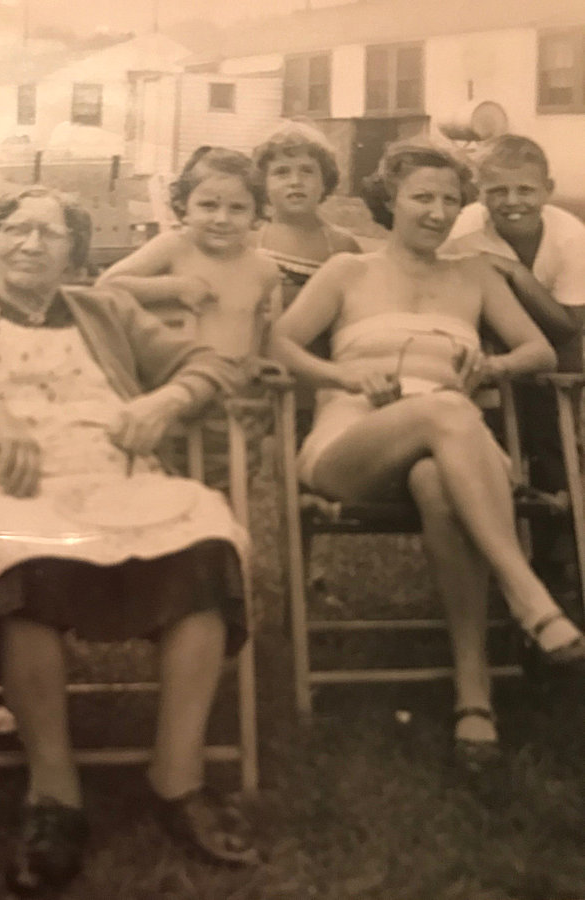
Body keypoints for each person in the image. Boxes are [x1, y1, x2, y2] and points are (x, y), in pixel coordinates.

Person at [0, 186, 259, 895]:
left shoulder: (110, 311)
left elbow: (215, 366)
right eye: (15, 229)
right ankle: (54, 792)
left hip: (115, 475)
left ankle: (178, 775)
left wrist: (166, 399)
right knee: (27, 557)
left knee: (207, 545)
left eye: (50, 232)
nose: (30, 243)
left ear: (75, 252)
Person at [270, 139, 585, 774]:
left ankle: (475, 704)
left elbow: (541, 353)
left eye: (450, 199)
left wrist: (492, 363)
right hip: (355, 440)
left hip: (456, 456)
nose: (438, 212)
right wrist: (343, 379)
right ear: (391, 200)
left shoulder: (474, 275)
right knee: (445, 409)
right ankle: (526, 593)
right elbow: (277, 343)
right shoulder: (347, 273)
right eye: (423, 197)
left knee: (440, 478)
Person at [443, 135, 585, 601]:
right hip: (486, 340)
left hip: (559, 347)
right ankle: (490, 550)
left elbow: (568, 328)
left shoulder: (569, 236)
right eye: (497, 191)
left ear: (547, 188)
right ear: (479, 192)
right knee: (489, 443)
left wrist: (516, 274)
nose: (512, 202)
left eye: (525, 190)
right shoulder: (464, 229)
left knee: (551, 442)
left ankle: (556, 554)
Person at [97, 145, 281, 366]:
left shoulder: (263, 269)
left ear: (255, 213)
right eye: (208, 205)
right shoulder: (174, 247)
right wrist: (175, 287)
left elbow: (256, 326)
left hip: (232, 382)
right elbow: (105, 286)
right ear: (184, 206)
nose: (222, 218)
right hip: (175, 377)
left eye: (238, 208)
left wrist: (254, 361)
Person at [252, 120, 362, 312]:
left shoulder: (342, 245)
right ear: (263, 184)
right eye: (282, 172)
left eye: (307, 171)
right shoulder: (251, 239)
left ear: (324, 181)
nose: (296, 181)